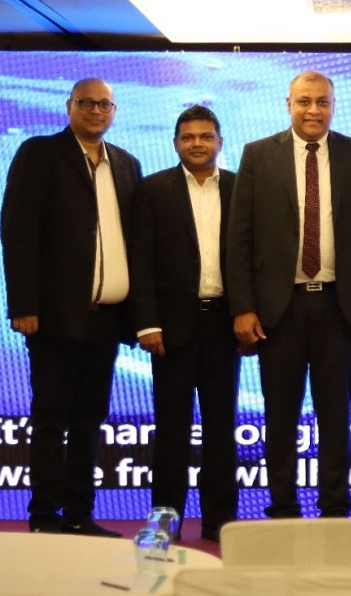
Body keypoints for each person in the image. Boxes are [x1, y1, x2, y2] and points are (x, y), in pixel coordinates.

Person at [226, 70, 351, 519]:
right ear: (288, 104)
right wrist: (243, 307)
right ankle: (282, 507)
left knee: (335, 416)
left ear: (333, 105)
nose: (313, 110)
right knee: (281, 416)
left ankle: (335, 507)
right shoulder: (258, 155)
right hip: (279, 310)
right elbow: (239, 239)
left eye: (321, 102)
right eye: (304, 101)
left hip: (341, 308)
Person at [1, 78, 142, 536]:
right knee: (50, 419)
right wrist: (23, 303)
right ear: (70, 106)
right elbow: (18, 232)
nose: (96, 111)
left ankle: (80, 515)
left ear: (114, 110)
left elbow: (135, 245)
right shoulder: (39, 153)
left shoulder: (126, 164)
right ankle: (44, 518)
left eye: (104, 104)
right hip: (54, 318)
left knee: (89, 421)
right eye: (87, 103)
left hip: (107, 319)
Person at [128, 105, 239, 542]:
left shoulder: (238, 188)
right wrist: (147, 323)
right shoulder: (153, 189)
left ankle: (220, 523)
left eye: (206, 136)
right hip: (169, 331)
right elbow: (142, 260)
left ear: (219, 142)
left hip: (223, 326)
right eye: (189, 137)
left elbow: (251, 258)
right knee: (171, 430)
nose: (197, 143)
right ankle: (165, 522)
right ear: (175, 143)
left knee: (221, 430)